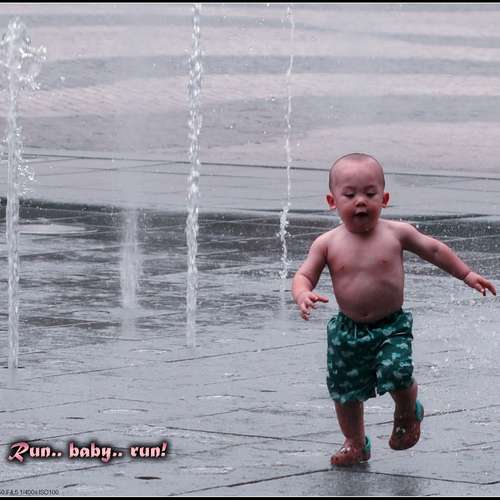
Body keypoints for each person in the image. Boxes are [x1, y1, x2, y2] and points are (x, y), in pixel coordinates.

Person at [291, 153, 496, 467]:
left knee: (397, 372)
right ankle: (355, 442)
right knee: (345, 392)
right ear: (332, 201)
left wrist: (466, 274)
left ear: (384, 199)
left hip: (391, 326)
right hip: (347, 331)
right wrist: (302, 293)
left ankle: (407, 411)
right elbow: (304, 275)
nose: (361, 201)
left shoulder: (396, 233)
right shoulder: (327, 243)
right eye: (350, 194)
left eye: (370, 193)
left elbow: (434, 249)